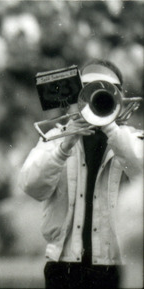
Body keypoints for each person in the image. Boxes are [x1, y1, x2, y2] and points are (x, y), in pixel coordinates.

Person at [18, 59, 143, 289]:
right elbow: (31, 186)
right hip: (64, 263)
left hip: (116, 264)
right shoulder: (56, 137)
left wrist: (109, 124)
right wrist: (64, 147)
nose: (95, 97)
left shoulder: (132, 139)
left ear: (119, 97)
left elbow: (141, 171)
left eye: (104, 92)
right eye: (88, 90)